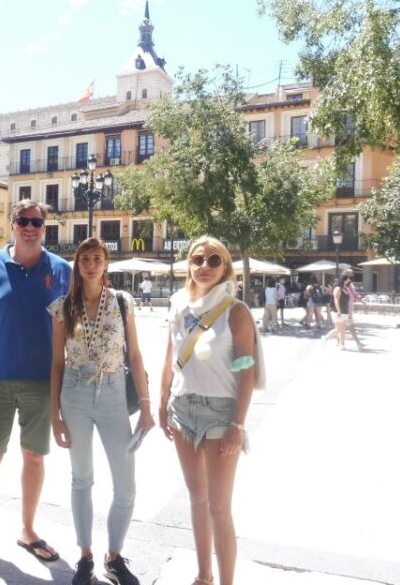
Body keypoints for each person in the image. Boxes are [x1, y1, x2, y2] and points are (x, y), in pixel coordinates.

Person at [0, 199, 71, 574]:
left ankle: (28, 530)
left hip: (41, 380)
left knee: (34, 457)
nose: (31, 226)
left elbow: (73, 324)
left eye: (37, 221)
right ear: (12, 223)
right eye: (24, 220)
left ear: (45, 226)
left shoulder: (61, 270)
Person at [158, 236, 265, 585]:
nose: (204, 265)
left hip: (221, 413)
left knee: (219, 507)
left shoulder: (236, 311)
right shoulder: (178, 306)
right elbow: (169, 360)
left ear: (225, 268)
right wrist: (161, 402)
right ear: (188, 265)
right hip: (182, 407)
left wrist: (239, 423)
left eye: (213, 260)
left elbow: (246, 368)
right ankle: (203, 576)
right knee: (197, 498)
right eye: (197, 259)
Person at [49, 238, 154, 585]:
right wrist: (55, 416)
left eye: (97, 258)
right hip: (74, 395)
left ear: (106, 263)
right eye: (85, 259)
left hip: (111, 394)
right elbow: (56, 364)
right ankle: (85, 556)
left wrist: (146, 405)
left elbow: (136, 356)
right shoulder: (63, 307)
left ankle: (114, 556)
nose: (91, 264)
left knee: (126, 484)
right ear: (77, 265)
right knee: (82, 479)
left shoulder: (123, 303)